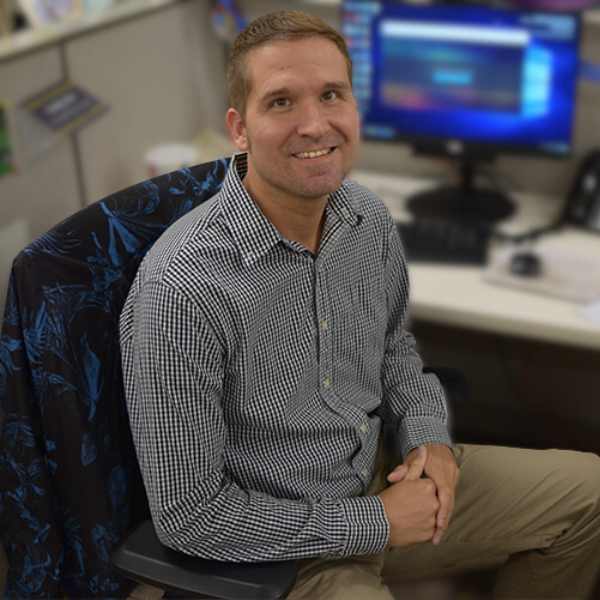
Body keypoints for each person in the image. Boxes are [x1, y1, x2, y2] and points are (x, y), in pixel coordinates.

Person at [119, 10, 600, 599]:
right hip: (288, 547)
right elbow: (190, 518)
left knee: (590, 498)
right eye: (280, 103)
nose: (315, 124)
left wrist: (430, 440)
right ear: (238, 129)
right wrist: (379, 522)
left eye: (330, 94)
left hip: (380, 475)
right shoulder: (183, 289)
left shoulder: (364, 218)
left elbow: (394, 350)